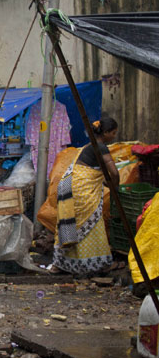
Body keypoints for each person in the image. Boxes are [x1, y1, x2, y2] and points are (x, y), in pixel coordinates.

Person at [52, 117, 121, 276]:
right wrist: (115, 187)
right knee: (92, 224)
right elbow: (114, 172)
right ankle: (97, 265)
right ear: (105, 133)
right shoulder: (101, 147)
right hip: (81, 190)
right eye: (113, 133)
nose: (115, 136)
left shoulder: (90, 146)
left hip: (71, 185)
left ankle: (61, 264)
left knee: (71, 224)